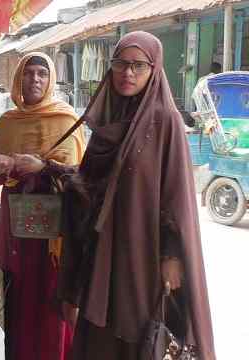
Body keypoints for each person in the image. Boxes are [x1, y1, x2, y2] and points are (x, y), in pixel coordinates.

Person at [12, 32, 216, 359]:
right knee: (101, 338)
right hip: (102, 252)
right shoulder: (110, 120)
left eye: (138, 66)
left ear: (154, 69)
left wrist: (173, 255)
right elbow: (88, 184)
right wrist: (47, 168)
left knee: (138, 335)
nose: (127, 73)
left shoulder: (165, 122)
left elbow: (176, 196)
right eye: (120, 64)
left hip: (143, 255)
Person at [0, 53, 86, 360]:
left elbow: (81, 177)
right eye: (28, 73)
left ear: (51, 79)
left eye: (41, 74)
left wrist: (42, 167)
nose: (34, 80)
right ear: (18, 78)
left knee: (50, 291)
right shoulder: (8, 121)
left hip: (55, 230)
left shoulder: (66, 119)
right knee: (17, 286)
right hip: (15, 224)